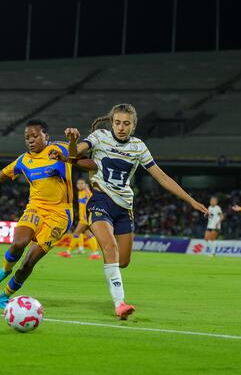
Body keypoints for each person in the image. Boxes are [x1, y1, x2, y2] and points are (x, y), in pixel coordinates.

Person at [62, 104, 208, 320]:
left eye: (126, 123)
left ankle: (110, 266)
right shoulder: (100, 136)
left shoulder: (139, 147)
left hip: (124, 207)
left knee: (123, 262)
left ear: (133, 126)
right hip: (100, 200)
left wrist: (192, 201)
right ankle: (120, 304)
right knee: (110, 247)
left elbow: (163, 178)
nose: (121, 127)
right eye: (118, 122)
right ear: (112, 123)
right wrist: (73, 142)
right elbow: (72, 155)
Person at [0, 119, 97, 309]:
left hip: (60, 215)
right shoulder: (23, 160)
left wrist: (69, 154)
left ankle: (4, 296)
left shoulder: (61, 148)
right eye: (27, 137)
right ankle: (5, 269)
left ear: (46, 136)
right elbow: (0, 176)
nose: (30, 140)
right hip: (35, 208)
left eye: (35, 136)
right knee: (18, 243)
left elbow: (92, 164)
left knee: (28, 262)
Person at [58, 178, 101, 259]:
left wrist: (88, 214)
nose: (80, 185)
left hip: (85, 218)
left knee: (76, 233)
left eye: (82, 183)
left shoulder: (87, 192)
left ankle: (68, 251)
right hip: (82, 217)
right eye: (78, 184)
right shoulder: (80, 192)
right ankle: (95, 253)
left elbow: (93, 203)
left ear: (85, 184)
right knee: (88, 234)